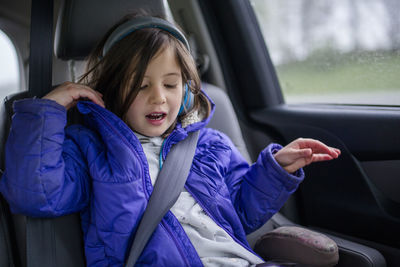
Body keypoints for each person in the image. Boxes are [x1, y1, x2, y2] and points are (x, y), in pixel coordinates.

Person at [0, 14, 340, 267]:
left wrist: (275, 170)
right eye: (140, 85)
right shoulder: (91, 149)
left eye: (171, 84)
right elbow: (35, 193)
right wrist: (48, 110)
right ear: (110, 92)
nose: (158, 98)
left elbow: (239, 213)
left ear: (189, 92)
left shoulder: (210, 145)